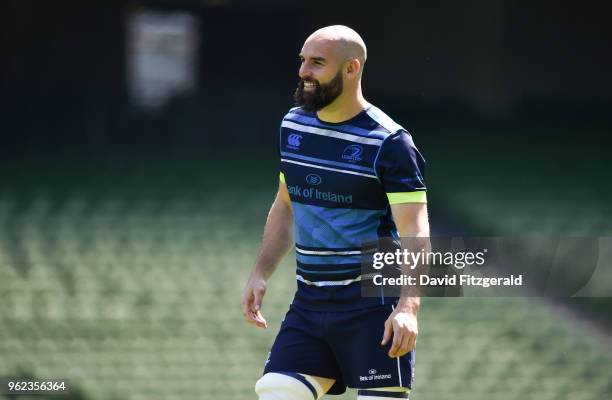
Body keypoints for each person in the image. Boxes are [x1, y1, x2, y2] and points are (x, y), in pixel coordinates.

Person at [242, 25, 429, 400]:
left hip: (372, 305)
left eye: (317, 63)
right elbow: (286, 204)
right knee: (276, 391)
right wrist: (261, 273)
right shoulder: (293, 124)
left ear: (350, 69)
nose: (303, 71)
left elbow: (416, 229)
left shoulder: (390, 142)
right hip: (310, 302)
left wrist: (408, 306)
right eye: (302, 61)